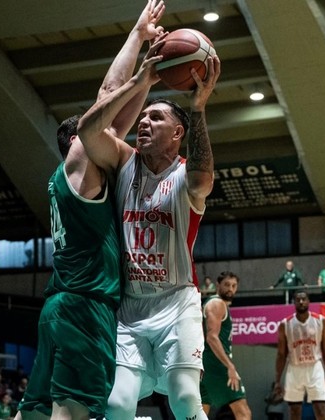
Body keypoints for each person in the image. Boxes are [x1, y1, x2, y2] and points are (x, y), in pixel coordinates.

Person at [16, 2, 166, 420]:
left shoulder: (66, 179)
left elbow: (114, 123)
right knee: (72, 414)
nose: (114, 138)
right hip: (85, 306)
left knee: (33, 412)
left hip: (60, 306)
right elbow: (106, 101)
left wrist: (144, 70)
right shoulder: (81, 157)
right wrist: (137, 56)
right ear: (76, 143)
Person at [78, 14, 220, 420]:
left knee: (185, 398)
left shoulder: (186, 177)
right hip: (132, 308)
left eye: (155, 118)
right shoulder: (125, 161)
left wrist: (197, 108)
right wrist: (141, 81)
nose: (143, 121)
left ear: (177, 134)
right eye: (143, 117)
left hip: (178, 302)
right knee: (117, 403)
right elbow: (88, 133)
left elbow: (204, 180)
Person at [274, 290, 325, 420]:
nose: (301, 302)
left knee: (321, 410)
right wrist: (277, 380)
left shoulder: (321, 321)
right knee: (294, 412)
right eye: (298, 300)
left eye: (304, 299)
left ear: (309, 301)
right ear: (294, 302)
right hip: (294, 368)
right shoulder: (285, 324)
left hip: (315, 368)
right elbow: (281, 354)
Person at [200, 271, 251, 419]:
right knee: (243, 413)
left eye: (234, 286)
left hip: (206, 366)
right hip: (217, 366)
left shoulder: (214, 303)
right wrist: (230, 366)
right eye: (227, 285)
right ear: (218, 285)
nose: (230, 289)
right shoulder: (217, 303)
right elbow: (212, 338)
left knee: (200, 414)